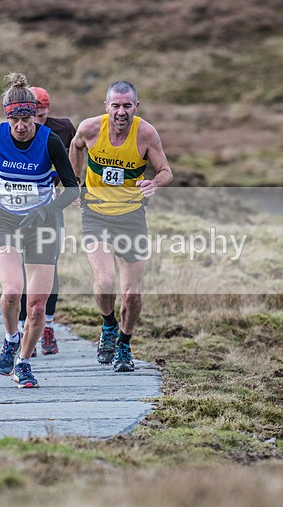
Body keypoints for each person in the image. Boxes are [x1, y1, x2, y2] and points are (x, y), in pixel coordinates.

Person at [0, 73, 79, 388]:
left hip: (41, 226)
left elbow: (72, 189)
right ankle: (10, 338)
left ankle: (24, 364)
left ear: (35, 114)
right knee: (13, 290)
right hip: (6, 221)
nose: (21, 126)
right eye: (15, 119)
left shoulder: (50, 140)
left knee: (37, 305)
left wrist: (45, 210)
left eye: (27, 118)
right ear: (7, 117)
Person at [69, 81, 173, 372]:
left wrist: (153, 182)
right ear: (106, 107)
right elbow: (75, 145)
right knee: (104, 280)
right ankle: (108, 326)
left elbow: (166, 171)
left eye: (127, 105)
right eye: (115, 105)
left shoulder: (146, 133)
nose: (121, 111)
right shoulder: (90, 128)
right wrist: (74, 182)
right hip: (97, 214)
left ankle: (124, 347)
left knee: (132, 294)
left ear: (135, 107)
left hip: (131, 217)